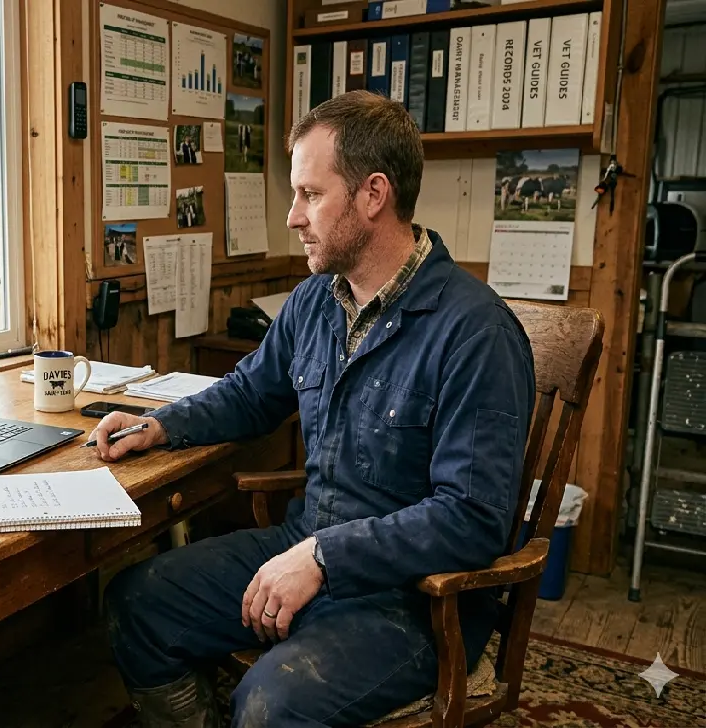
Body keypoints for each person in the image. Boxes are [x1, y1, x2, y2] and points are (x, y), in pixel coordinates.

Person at [91, 90, 535, 727]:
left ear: (373, 194)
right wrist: (160, 424)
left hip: (414, 599)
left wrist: (326, 558)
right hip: (306, 544)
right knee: (140, 603)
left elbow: (471, 519)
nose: (294, 217)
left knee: (271, 706)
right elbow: (249, 393)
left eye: (310, 194)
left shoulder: (476, 332)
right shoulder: (315, 302)